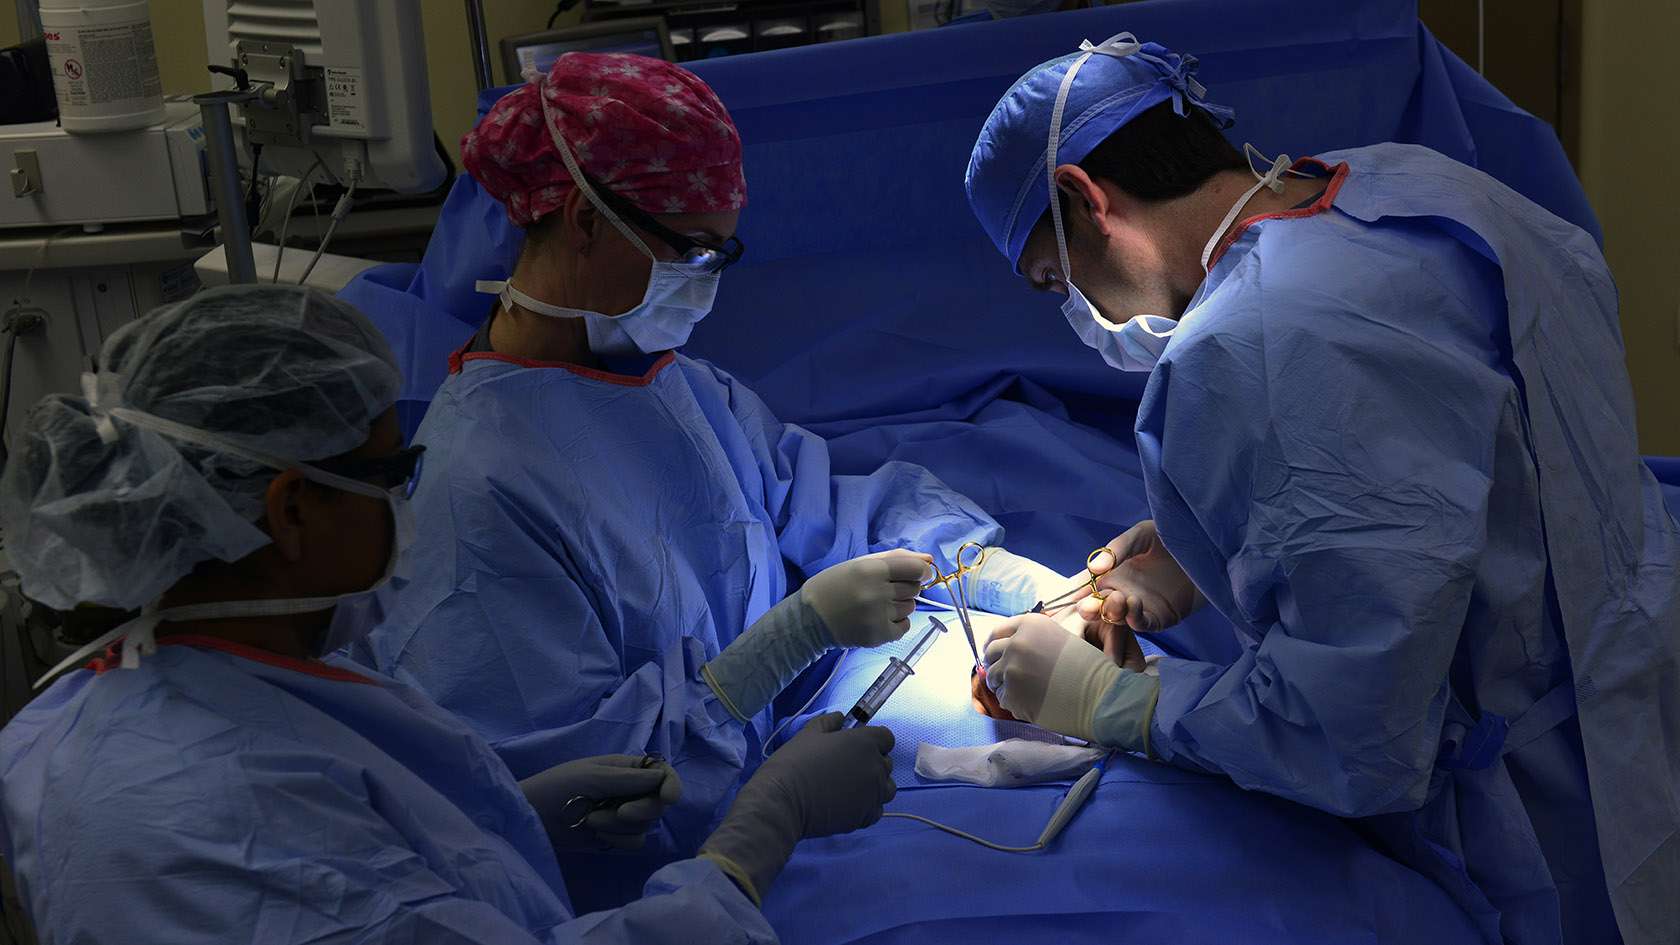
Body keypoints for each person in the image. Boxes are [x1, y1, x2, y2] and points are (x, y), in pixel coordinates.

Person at [965, 32, 1680, 945]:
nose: (1080, 311)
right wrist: (1203, 544)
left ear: (1084, 197)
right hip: (1643, 666)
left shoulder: (1245, 348)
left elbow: (1353, 735)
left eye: (1056, 279)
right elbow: (1452, 449)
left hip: (1542, 824)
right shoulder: (1409, 185)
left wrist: (1113, 702)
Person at [351, 53, 1073, 905]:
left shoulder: (673, 385)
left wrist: (997, 573)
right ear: (583, 221)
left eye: (721, 249)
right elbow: (588, 803)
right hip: (679, 879)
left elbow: (819, 500)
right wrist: (783, 646)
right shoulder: (478, 494)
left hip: (782, 765)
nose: (707, 279)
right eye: (690, 249)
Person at [0, 286, 897, 944]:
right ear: (290, 511)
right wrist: (757, 835)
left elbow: (379, 854)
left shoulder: (157, 688)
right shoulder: (206, 815)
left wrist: (500, 820)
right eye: (391, 477)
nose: (413, 504)